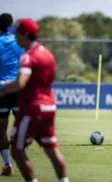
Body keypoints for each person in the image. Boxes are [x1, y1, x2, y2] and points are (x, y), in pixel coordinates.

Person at [0, 18, 69, 182]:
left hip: (32, 107)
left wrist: (3, 88)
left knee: (17, 150)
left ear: (25, 35)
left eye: (17, 34)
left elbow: (20, 82)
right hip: (49, 106)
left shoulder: (27, 57)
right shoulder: (47, 54)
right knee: (52, 150)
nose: (15, 38)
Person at [0, 13, 24, 176]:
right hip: (18, 88)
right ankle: (22, 160)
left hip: (1, 90)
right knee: (22, 125)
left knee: (1, 128)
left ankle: (7, 164)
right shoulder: (19, 41)